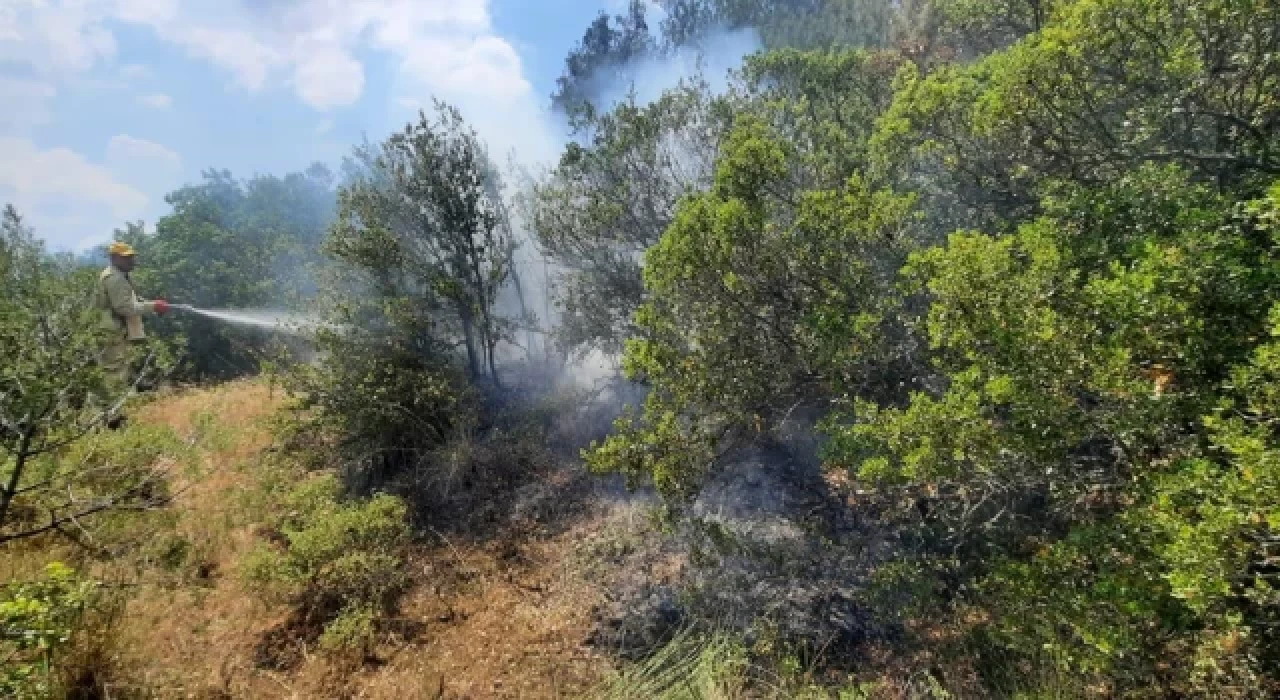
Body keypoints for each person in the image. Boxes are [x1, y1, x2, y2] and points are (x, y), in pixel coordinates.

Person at [94, 242, 170, 420]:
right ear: (114, 258)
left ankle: (113, 414)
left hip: (113, 332)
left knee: (118, 372)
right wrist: (153, 307)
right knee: (114, 374)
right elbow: (125, 308)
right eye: (126, 257)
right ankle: (112, 418)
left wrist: (153, 304)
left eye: (132, 257)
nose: (131, 261)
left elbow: (129, 300)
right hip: (111, 334)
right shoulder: (115, 278)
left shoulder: (119, 275)